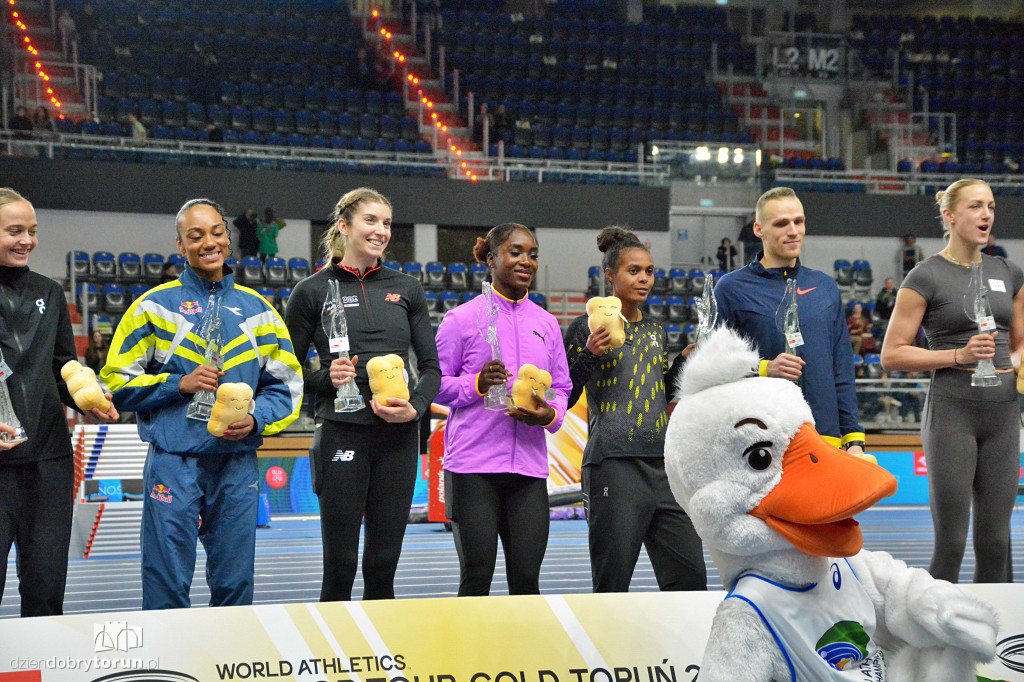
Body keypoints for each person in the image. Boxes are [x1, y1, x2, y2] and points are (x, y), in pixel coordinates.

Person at [100, 198, 302, 609]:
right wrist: (179, 384)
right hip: (174, 462)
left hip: (236, 461)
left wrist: (257, 420)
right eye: (195, 236)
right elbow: (115, 382)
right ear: (181, 245)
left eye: (215, 232)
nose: (207, 242)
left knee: (235, 584)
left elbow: (287, 385)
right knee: (165, 582)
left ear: (227, 239)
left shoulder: (259, 312)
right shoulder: (152, 307)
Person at [284, 187, 440, 602]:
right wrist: (325, 378)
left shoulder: (407, 288)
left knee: (382, 565)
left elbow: (430, 368)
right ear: (344, 226)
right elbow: (287, 371)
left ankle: (378, 663)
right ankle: (334, 663)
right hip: (342, 432)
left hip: (399, 438)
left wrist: (416, 410)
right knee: (341, 565)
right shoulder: (311, 292)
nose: (381, 231)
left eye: (387, 223)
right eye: (371, 220)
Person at [881, 178, 1023, 584]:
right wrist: (958, 356)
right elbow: (892, 354)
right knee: (952, 543)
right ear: (949, 215)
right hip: (951, 414)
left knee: (996, 543)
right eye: (976, 206)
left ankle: (992, 642)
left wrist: (1013, 364)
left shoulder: (1008, 272)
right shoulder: (924, 276)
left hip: (1003, 417)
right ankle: (935, 640)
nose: (987, 215)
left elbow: (1020, 343)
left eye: (991, 206)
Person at [564, 226, 706, 593]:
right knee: (612, 584)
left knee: (690, 581)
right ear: (609, 276)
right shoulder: (586, 327)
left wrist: (684, 366)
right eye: (634, 271)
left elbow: (658, 393)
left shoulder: (657, 332)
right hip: (614, 464)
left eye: (649, 271)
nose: (644, 279)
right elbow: (564, 394)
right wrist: (590, 352)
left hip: (664, 466)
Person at [434, 223, 571, 596]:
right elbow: (435, 384)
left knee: (527, 582)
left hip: (527, 470)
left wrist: (550, 415)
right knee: (476, 579)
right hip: (472, 470)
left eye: (533, 254)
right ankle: (468, 656)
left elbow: (561, 387)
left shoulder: (547, 323)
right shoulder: (460, 319)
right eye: (515, 252)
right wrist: (476, 384)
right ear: (491, 259)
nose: (526, 261)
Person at [0, 188, 118, 617]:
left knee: (46, 590)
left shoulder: (49, 292)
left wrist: (89, 396)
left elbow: (64, 366)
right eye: (14, 231)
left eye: (32, 231)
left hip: (48, 461)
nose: (26, 240)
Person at [715, 187, 866, 455]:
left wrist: (853, 438)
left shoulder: (825, 287)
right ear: (759, 229)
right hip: (759, 443)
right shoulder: (731, 288)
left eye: (799, 221)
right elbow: (712, 366)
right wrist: (764, 368)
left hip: (824, 439)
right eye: (782, 223)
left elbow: (841, 367)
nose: (793, 231)